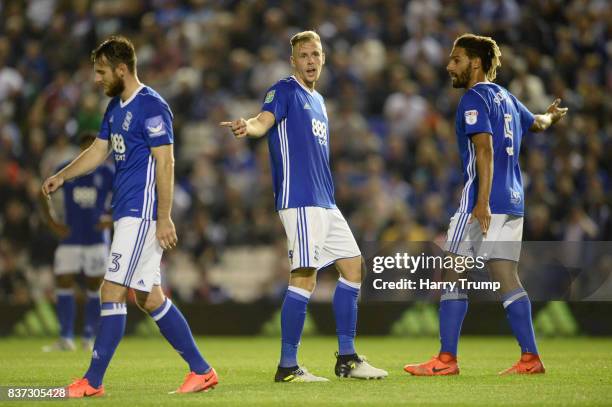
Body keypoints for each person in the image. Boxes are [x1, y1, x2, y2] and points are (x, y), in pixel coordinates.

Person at [42, 36, 218, 397]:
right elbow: (97, 151)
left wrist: (164, 216)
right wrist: (63, 175)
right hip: (127, 212)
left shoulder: (152, 106)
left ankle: (92, 381)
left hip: (141, 214)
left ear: (122, 69)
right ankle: (202, 371)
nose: (97, 79)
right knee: (148, 296)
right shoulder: (116, 108)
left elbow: (165, 161)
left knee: (112, 290)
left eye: (102, 71)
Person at [221, 30, 387, 382]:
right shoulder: (284, 90)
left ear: (323, 58)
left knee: (354, 268)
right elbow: (262, 121)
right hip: (300, 199)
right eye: (304, 56)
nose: (311, 61)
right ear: (293, 61)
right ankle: (288, 366)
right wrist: (246, 126)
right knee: (304, 277)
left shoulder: (320, 101)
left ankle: (347, 360)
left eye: (316, 54)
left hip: (325, 201)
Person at [403, 33, 568, 376]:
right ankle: (530, 358)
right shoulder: (506, 98)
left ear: (475, 63)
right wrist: (551, 115)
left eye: (456, 59)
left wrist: (481, 204)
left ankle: (446, 360)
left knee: (452, 272)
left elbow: (485, 149)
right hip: (515, 201)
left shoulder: (473, 99)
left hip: (485, 201)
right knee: (507, 276)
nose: (449, 66)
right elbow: (537, 123)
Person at [40, 132, 113, 352]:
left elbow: (126, 197)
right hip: (71, 237)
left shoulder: (108, 172)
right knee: (63, 282)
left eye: (93, 148)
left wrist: (111, 219)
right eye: (85, 149)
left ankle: (89, 337)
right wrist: (53, 222)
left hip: (96, 239)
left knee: (94, 287)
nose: (88, 152)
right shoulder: (67, 169)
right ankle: (66, 337)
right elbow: (43, 192)